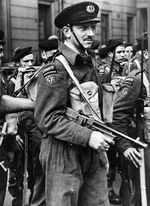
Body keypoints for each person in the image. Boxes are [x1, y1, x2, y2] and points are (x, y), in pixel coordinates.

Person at [34, 2, 114, 206]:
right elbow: (48, 118)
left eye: (93, 27)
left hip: (91, 150)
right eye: (83, 28)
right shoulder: (56, 69)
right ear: (67, 32)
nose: (90, 33)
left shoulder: (89, 62)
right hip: (63, 153)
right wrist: (88, 136)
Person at [111, 36, 150, 206]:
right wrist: (125, 145)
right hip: (145, 146)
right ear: (146, 53)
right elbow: (117, 113)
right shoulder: (137, 78)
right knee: (143, 196)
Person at [0, 29, 35, 206]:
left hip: (25, 133)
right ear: (18, 62)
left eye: (32, 61)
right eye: (26, 61)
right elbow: (7, 107)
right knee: (15, 170)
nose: (30, 65)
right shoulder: (12, 81)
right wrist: (16, 133)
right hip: (15, 134)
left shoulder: (34, 80)